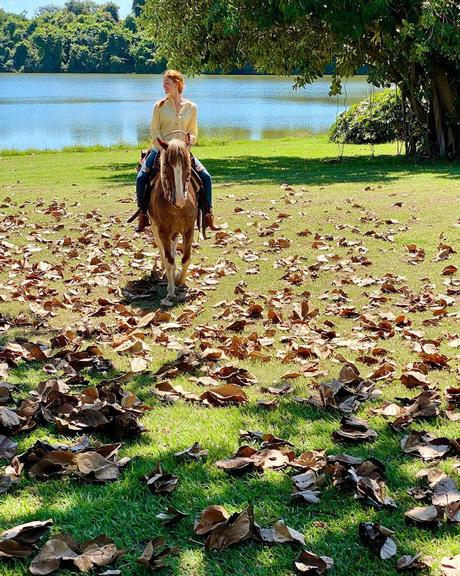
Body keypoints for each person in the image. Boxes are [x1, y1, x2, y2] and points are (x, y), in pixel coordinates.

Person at [135, 69, 218, 232]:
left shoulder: (191, 107)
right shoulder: (159, 107)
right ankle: (143, 215)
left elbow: (194, 131)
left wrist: (191, 140)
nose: (164, 86)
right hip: (161, 151)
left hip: (183, 153)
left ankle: (208, 215)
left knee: (206, 178)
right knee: (141, 178)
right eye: (163, 83)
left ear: (177, 84)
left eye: (167, 83)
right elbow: (154, 132)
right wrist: (162, 146)